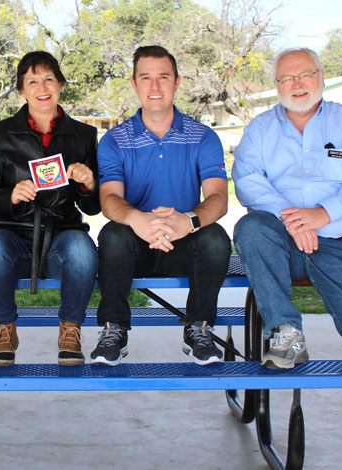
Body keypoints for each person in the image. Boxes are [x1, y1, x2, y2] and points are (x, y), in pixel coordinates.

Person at [232, 47, 342, 470]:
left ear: (321, 77)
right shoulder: (260, 130)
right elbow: (248, 182)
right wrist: (295, 221)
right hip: (284, 241)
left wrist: (321, 216)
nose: (296, 84)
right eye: (286, 78)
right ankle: (286, 332)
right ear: (275, 86)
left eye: (304, 75)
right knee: (250, 228)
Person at [92, 45, 231, 366]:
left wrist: (188, 222)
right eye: (146, 78)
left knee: (215, 237)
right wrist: (139, 220)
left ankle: (199, 328)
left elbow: (218, 198)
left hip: (185, 247)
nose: (155, 87)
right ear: (134, 84)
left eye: (163, 77)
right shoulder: (115, 139)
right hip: (135, 249)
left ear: (177, 82)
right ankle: (114, 329)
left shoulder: (203, 137)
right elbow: (109, 198)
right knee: (113, 234)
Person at [0, 51, 100, 367]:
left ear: (60, 84)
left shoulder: (84, 135)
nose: (42, 88)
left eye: (49, 79)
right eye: (32, 81)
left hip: (62, 231)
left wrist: (88, 184)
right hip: (11, 232)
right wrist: (11, 195)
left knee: (83, 250)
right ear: (21, 90)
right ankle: (5, 328)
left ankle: (70, 328)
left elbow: (94, 208)